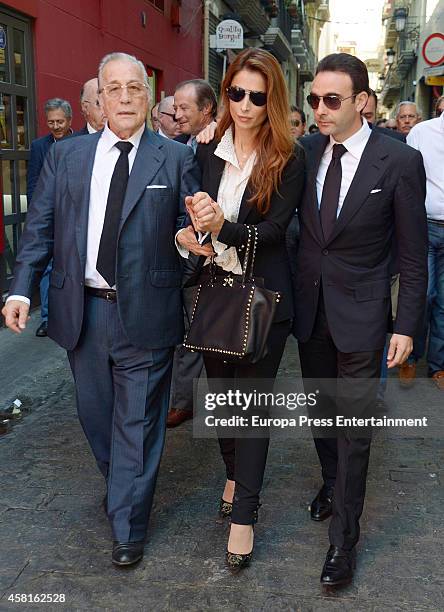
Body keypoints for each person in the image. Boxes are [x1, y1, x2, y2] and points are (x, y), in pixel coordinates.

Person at [2, 52, 207, 567]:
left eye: (133, 88)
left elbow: (193, 230)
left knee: (136, 421)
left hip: (147, 313)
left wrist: (192, 238)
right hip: (83, 313)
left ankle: (128, 526)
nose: (123, 98)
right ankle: (123, 487)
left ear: (147, 96)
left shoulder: (175, 157)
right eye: (112, 89)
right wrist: (21, 289)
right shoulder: (68, 157)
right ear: (97, 100)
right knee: (97, 420)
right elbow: (40, 230)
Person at [295, 53, 427, 588]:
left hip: (366, 316)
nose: (320, 110)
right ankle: (332, 484)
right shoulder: (306, 152)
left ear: (363, 102)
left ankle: (343, 542)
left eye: (332, 100)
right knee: (323, 419)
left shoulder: (397, 161)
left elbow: (414, 257)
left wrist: (406, 326)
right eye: (314, 100)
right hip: (310, 313)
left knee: (354, 431)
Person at [177, 47, 305, 572]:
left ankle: (244, 518)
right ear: (225, 93)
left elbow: (276, 232)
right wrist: (191, 233)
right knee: (222, 402)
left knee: (250, 412)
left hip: (264, 302)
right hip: (215, 293)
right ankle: (232, 473)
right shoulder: (206, 150)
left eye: (258, 95)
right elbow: (191, 216)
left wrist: (222, 228)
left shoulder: (289, 157)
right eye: (237, 93)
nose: (246, 104)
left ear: (271, 99)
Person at [167, 79, 218, 428]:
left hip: (202, 257)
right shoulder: (180, 144)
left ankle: (187, 402)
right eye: (175, 107)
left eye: (185, 107)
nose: (177, 113)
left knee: (198, 333)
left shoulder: (214, 144)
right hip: (179, 253)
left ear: (207, 110)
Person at [398, 110, 444, 390]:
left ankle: (438, 367)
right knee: (422, 295)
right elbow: (407, 181)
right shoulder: (422, 132)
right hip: (424, 226)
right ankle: (410, 356)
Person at [27, 98, 73, 338]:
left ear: (70, 121)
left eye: (60, 121)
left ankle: (70, 316)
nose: (55, 126)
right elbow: (34, 182)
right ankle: (47, 318)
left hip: (74, 217)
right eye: (51, 122)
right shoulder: (39, 146)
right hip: (49, 217)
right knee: (46, 268)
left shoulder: (81, 142)